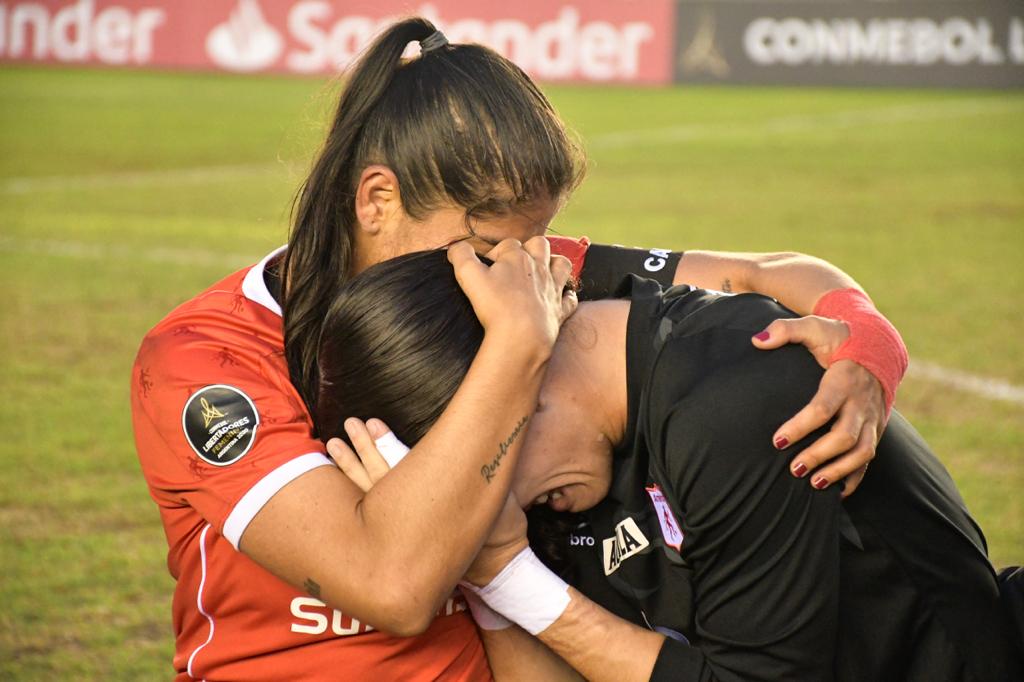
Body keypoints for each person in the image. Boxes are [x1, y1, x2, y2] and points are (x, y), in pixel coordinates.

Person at [131, 17, 908, 681]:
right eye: (494, 241)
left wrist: (868, 345)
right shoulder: (209, 359)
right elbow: (393, 584)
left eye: (534, 241)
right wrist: (518, 343)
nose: (525, 266)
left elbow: (768, 272)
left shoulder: (507, 264)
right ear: (376, 200)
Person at [317, 249, 1023, 682]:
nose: (499, 504)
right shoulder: (545, 450)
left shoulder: (739, 401)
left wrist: (507, 573)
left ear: (515, 375)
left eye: (480, 464)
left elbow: (765, 269)